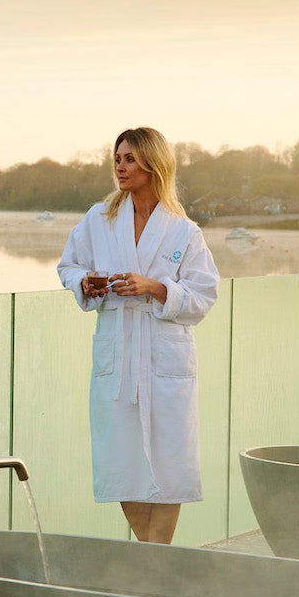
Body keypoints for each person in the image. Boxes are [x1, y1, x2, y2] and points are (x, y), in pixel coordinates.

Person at [56, 127, 220, 544]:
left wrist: (155, 287)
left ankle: (153, 561)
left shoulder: (184, 232)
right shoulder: (99, 219)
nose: (121, 167)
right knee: (122, 462)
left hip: (164, 358)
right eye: (117, 158)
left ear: (153, 163)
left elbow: (204, 295)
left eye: (130, 159)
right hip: (119, 354)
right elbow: (68, 266)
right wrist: (86, 283)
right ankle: (155, 560)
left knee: (170, 464)